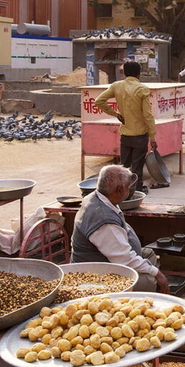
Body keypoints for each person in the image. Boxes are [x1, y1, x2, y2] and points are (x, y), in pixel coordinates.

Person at [71, 165, 170, 293]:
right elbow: (124, 259)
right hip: (94, 274)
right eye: (128, 187)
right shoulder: (103, 220)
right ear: (119, 190)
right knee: (150, 282)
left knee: (149, 254)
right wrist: (159, 276)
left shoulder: (99, 197)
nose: (129, 190)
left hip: (110, 258)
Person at [95, 61, 157, 194]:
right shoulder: (142, 89)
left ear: (124, 72)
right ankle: (137, 190)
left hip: (125, 134)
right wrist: (152, 137)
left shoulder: (116, 86)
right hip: (140, 134)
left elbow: (98, 101)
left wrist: (115, 114)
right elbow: (148, 115)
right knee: (137, 166)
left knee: (124, 166)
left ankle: (121, 191)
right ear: (139, 74)